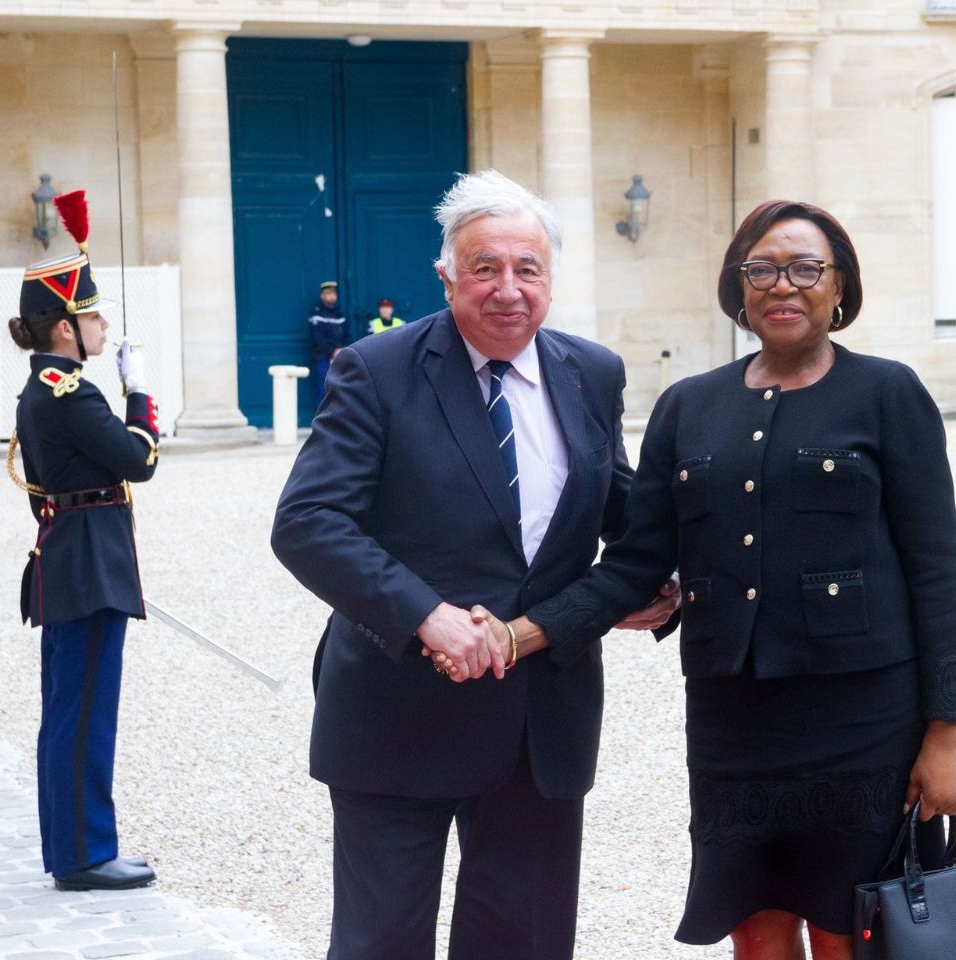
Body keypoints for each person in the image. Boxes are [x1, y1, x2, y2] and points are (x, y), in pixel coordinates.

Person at [469, 200, 956, 960]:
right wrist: (519, 635)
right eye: (762, 269)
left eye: (807, 269)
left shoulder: (888, 394)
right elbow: (637, 563)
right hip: (734, 722)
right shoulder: (688, 406)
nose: (784, 286)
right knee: (757, 934)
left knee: (851, 934)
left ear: (840, 289)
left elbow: (936, 571)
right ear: (739, 289)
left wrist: (944, 737)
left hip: (863, 721)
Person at [270, 170, 675, 960]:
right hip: (398, 707)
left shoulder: (592, 373)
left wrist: (658, 580)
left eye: (528, 269)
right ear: (446, 275)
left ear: (551, 279)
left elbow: (621, 507)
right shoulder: (375, 369)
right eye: (485, 267)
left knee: (521, 943)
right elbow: (308, 520)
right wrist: (426, 613)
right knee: (381, 944)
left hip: (539, 721)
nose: (508, 289)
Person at [8, 190, 161, 893]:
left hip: (69, 561)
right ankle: (85, 855)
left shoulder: (45, 389)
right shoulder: (70, 392)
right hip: (87, 567)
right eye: (93, 315)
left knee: (71, 710)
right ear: (65, 327)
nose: (102, 326)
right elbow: (139, 461)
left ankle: (72, 848)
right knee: (85, 714)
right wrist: (138, 396)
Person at [309, 280, 348, 405]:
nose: (332, 296)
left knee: (342, 389)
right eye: (328, 294)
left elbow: (348, 335)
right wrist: (332, 351)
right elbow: (317, 337)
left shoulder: (339, 315)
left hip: (341, 357)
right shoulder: (317, 314)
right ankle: (321, 421)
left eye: (333, 294)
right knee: (323, 388)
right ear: (322, 296)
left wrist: (342, 350)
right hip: (323, 357)